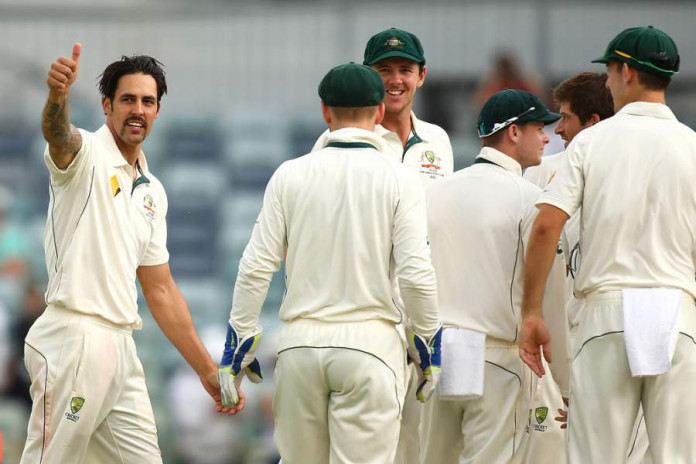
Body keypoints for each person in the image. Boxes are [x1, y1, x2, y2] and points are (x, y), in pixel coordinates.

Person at [20, 44, 240, 464]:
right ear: (106, 105)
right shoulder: (84, 153)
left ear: (157, 110)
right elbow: (57, 134)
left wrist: (206, 371)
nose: (137, 110)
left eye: (147, 101)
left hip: (122, 348)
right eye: (127, 100)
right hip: (74, 338)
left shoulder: (152, 191)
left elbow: (160, 289)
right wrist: (57, 97)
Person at [217, 63, 442, 464]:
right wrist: (427, 345)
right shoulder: (400, 178)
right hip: (370, 348)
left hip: (299, 347)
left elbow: (255, 266)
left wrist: (239, 344)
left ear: (325, 112)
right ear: (378, 113)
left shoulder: (289, 174)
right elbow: (416, 273)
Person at [519, 26, 694, 464]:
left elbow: (546, 227)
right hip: (677, 310)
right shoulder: (693, 146)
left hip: (607, 312)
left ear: (628, 72)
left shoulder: (593, 142)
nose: (609, 84)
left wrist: (532, 312)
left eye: (611, 73)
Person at [311, 29, 454, 464]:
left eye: (405, 70)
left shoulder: (438, 142)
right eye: (384, 70)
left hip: (422, 318)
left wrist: (431, 325)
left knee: (414, 449)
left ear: (422, 75)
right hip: (367, 319)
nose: (396, 80)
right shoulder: (331, 143)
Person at [421, 89, 570, 464]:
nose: (547, 137)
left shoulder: (433, 193)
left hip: (437, 357)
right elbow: (549, 295)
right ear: (514, 132)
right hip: (499, 359)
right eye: (539, 127)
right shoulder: (532, 198)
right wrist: (565, 380)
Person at [521, 72, 616, 464]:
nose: (556, 129)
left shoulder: (626, 171)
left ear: (592, 123)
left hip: (604, 335)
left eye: (565, 119)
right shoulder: (542, 172)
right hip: (550, 353)